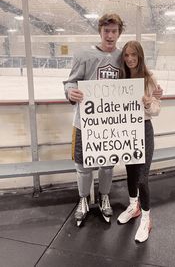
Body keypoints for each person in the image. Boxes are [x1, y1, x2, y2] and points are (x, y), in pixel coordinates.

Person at [63, 13, 125, 225]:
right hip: (85, 123)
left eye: (114, 31)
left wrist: (151, 91)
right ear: (100, 31)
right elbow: (70, 83)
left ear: (119, 33)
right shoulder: (84, 55)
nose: (110, 35)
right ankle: (83, 199)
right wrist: (70, 92)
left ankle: (104, 196)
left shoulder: (123, 56)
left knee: (107, 165)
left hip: (110, 124)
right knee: (83, 166)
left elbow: (135, 82)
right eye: (106, 31)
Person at [117, 40, 161, 243]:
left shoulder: (149, 78)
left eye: (133, 54)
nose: (130, 59)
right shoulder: (121, 78)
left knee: (143, 177)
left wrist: (148, 104)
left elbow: (156, 111)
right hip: (127, 132)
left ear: (140, 56)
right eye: (126, 55)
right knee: (131, 173)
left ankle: (146, 217)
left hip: (144, 129)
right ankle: (133, 206)